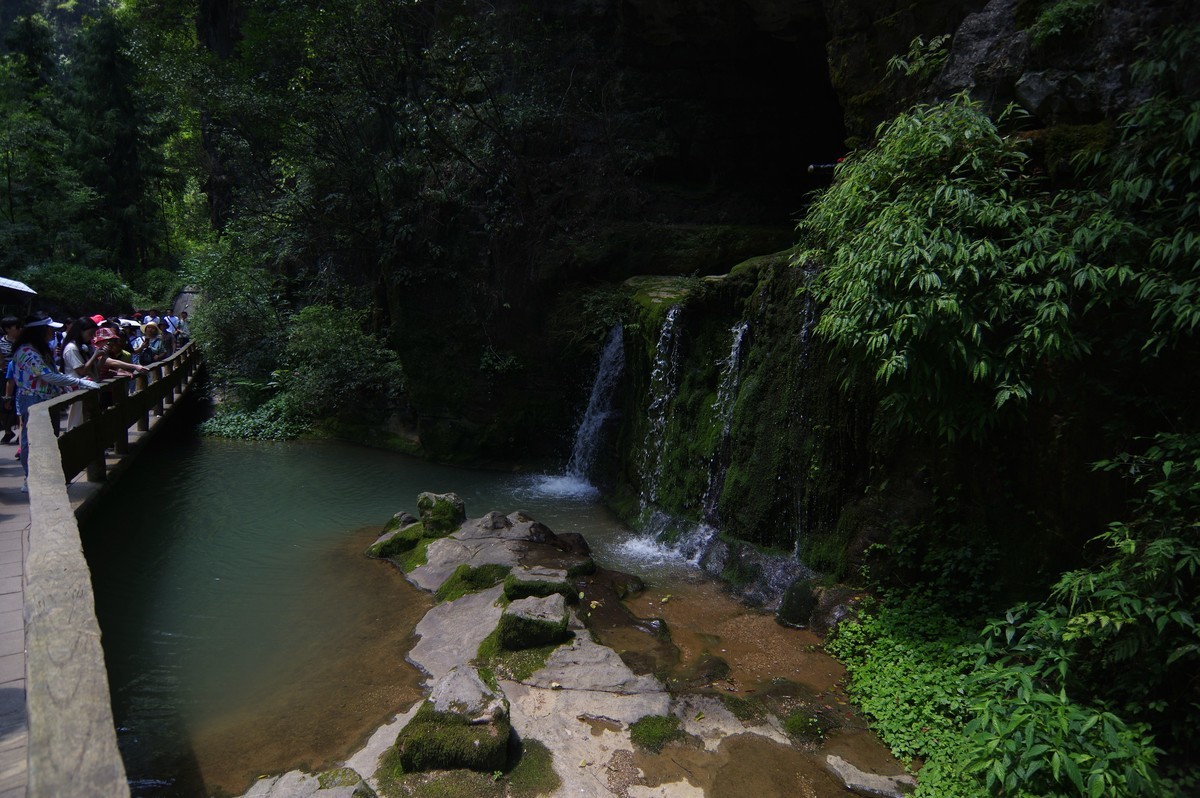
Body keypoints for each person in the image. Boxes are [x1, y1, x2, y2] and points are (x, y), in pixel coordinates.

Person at [12, 312, 100, 489]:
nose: (53, 332)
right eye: (50, 329)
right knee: (32, 440)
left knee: (49, 439)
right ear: (40, 330)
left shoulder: (39, 350)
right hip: (33, 399)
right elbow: (48, 376)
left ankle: (44, 475)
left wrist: (73, 384)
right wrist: (78, 381)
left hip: (46, 399)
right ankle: (30, 478)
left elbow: (53, 374)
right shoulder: (27, 351)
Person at [0, 317, 20, 444]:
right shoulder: (0, 344)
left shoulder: (23, 342)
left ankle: (20, 433)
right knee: (3, 407)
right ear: (7, 329)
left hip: (20, 378)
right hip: (4, 377)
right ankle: (8, 431)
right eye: (16, 327)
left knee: (18, 408)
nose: (19, 329)